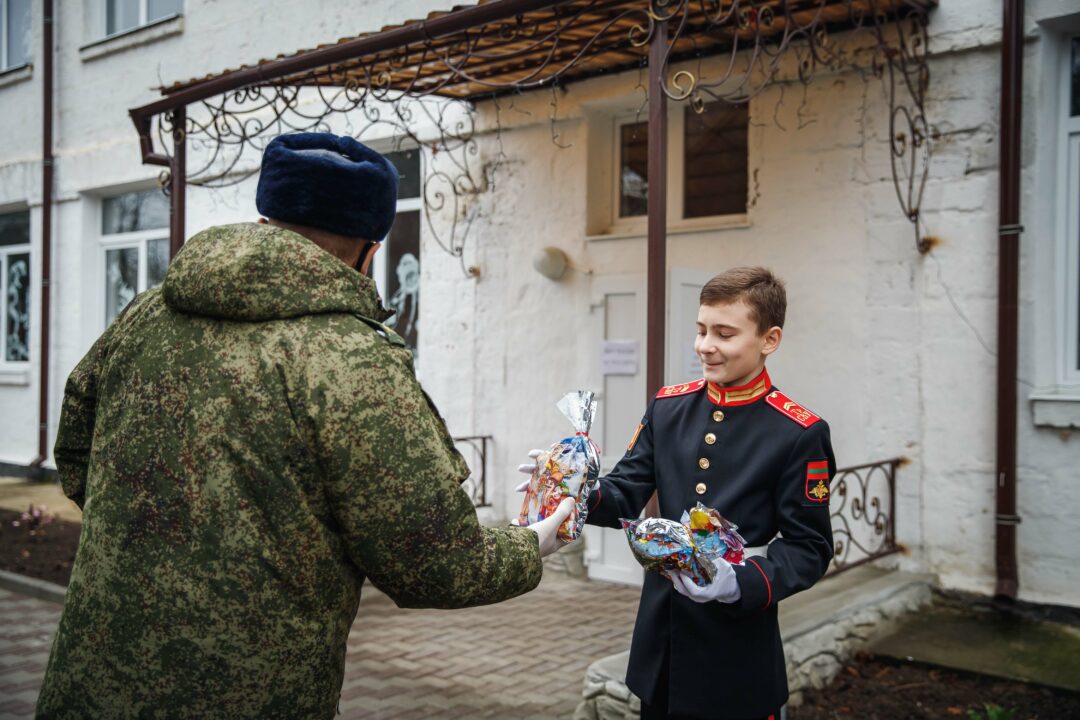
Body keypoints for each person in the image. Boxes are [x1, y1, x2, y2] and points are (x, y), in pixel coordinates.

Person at [37, 132, 572, 719]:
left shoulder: (145, 315)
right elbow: (434, 563)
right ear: (369, 252)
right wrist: (533, 541)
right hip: (247, 697)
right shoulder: (351, 357)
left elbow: (75, 452)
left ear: (264, 222)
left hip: (88, 684)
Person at [521, 267, 835, 720]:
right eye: (701, 330)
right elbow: (625, 492)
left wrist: (740, 581)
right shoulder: (669, 407)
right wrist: (571, 487)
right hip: (662, 646)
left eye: (725, 333)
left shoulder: (797, 432)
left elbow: (809, 547)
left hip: (736, 657)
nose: (705, 345)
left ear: (770, 340)